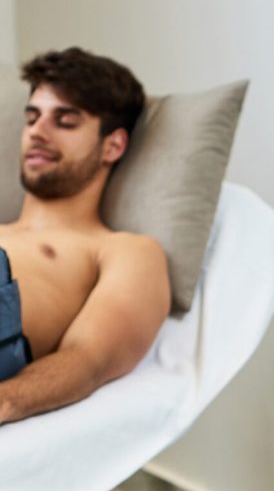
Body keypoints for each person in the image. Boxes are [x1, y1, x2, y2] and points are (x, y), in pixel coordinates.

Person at [0, 47, 170, 422]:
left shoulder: (123, 250)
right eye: (32, 118)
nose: (36, 133)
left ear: (113, 145)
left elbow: (87, 359)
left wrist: (5, 400)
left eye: (65, 121)